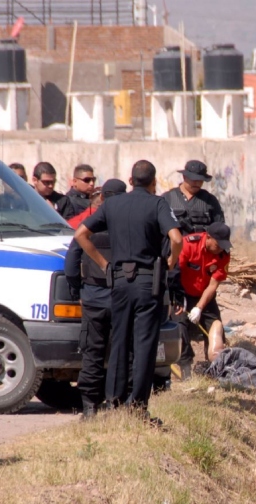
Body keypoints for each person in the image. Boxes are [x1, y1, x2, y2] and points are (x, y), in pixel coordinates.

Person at [74, 160, 182, 424]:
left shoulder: (112, 204)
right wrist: (170, 264)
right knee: (144, 344)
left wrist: (103, 265)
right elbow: (177, 238)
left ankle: (114, 401)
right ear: (154, 182)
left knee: (119, 341)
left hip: (119, 282)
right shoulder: (158, 204)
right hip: (148, 283)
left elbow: (80, 234)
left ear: (131, 181)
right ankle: (138, 407)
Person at [64, 181, 127, 418]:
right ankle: (115, 403)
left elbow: (71, 264)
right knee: (122, 352)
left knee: (93, 353)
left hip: (93, 297)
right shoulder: (129, 225)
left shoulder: (88, 225)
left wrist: (77, 292)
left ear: (102, 197)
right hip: (122, 298)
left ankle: (90, 407)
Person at [177, 222, 232, 375]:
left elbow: (213, 285)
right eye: (218, 244)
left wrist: (199, 307)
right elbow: (175, 273)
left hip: (204, 295)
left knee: (216, 327)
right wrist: (177, 299)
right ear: (208, 237)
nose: (220, 248)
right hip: (182, 293)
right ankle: (185, 371)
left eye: (224, 245)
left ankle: (215, 370)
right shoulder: (188, 245)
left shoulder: (223, 255)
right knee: (180, 328)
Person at [163, 160, 226, 234]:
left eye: (200, 180)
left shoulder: (210, 200)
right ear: (184, 177)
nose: (197, 183)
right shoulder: (167, 198)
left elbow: (220, 229)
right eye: (193, 179)